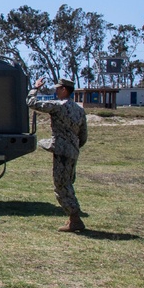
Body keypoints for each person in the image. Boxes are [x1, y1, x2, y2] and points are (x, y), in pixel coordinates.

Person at [27, 77, 89, 232]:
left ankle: (75, 218)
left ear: (64, 90)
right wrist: (73, 147)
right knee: (68, 183)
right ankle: (73, 218)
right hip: (73, 151)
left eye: (57, 88)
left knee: (61, 186)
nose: (55, 91)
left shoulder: (58, 106)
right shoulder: (80, 110)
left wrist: (35, 88)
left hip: (61, 151)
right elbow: (83, 135)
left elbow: (31, 103)